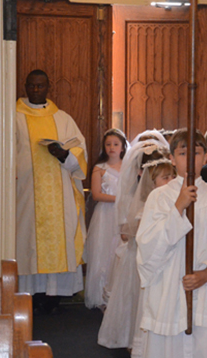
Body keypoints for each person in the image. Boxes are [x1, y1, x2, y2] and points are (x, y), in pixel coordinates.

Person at [133, 128, 207, 358]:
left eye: (196, 153)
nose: (189, 159)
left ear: (206, 157)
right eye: (182, 153)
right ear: (171, 158)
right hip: (166, 298)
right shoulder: (159, 198)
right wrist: (178, 207)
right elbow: (147, 250)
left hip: (206, 299)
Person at [15, 69, 88, 314]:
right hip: (25, 193)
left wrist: (63, 154)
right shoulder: (13, 117)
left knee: (60, 239)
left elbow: (79, 147)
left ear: (48, 88)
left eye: (41, 86)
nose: (36, 91)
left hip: (60, 193)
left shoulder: (63, 119)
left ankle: (54, 296)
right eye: (32, 86)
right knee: (26, 243)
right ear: (25, 87)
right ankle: (30, 296)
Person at [99, 148, 175, 349]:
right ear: (152, 182)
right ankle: (134, 339)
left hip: (163, 258)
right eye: (165, 178)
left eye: (172, 176)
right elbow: (128, 233)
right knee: (136, 299)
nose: (171, 181)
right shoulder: (143, 204)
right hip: (140, 259)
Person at [83, 128, 128, 309]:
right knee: (104, 252)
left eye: (115, 144)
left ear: (123, 147)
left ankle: (118, 296)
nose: (111, 148)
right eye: (108, 144)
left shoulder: (128, 167)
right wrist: (119, 199)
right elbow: (96, 194)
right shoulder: (99, 168)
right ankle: (101, 297)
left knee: (120, 251)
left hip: (123, 214)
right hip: (106, 214)